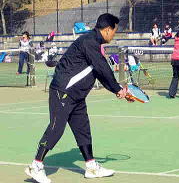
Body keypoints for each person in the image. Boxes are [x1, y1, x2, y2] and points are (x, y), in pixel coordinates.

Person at [24, 13, 127, 183]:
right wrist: (117, 88)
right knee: (56, 128)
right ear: (108, 29)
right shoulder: (90, 41)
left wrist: (116, 90)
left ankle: (92, 167)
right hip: (63, 91)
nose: (114, 35)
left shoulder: (94, 42)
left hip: (77, 95)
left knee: (83, 129)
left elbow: (98, 71)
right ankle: (35, 166)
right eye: (114, 31)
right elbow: (102, 68)